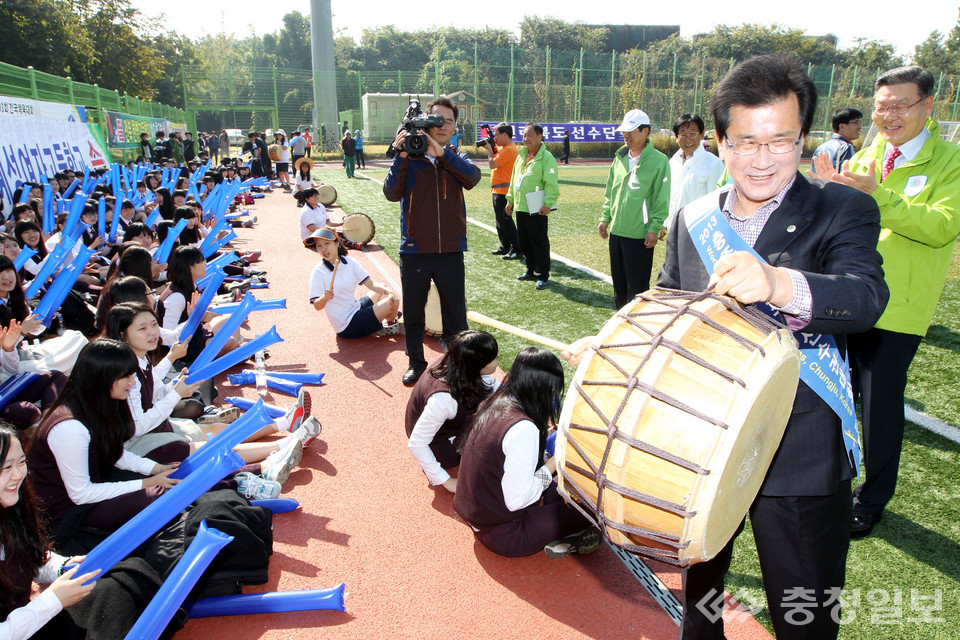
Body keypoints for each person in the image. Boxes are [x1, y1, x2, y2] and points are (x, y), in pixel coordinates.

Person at [657, 54, 888, 639]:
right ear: (721, 142)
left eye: (780, 142)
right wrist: (623, 343)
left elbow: (865, 297)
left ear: (803, 138)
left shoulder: (844, 208)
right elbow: (668, 298)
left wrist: (780, 283)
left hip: (802, 443)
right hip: (705, 438)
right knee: (703, 590)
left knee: (803, 611)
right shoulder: (693, 218)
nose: (762, 160)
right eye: (745, 142)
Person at [812, 66, 960, 539]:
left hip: (898, 309)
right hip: (847, 295)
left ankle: (871, 499)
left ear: (927, 106)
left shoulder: (949, 162)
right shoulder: (867, 153)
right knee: (831, 393)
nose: (888, 115)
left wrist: (880, 195)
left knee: (878, 407)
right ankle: (828, 483)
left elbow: (941, 227)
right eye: (881, 107)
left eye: (900, 105)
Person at [29, 339, 182, 545]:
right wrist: (148, 482)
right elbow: (80, 494)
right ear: (103, 378)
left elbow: (114, 453)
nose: (133, 382)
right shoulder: (69, 427)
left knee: (172, 458)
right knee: (156, 496)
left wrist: (155, 469)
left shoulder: (98, 404)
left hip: (97, 487)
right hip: (69, 515)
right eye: (126, 376)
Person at [453, 347, 600, 558]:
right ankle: (565, 532)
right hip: (507, 534)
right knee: (589, 508)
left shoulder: (494, 402)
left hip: (479, 516)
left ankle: (556, 524)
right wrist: (554, 462)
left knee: (555, 488)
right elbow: (517, 500)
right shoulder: (523, 428)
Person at [383, 97, 481, 386]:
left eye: (448, 121)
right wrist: (400, 156)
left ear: (453, 128)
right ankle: (416, 362)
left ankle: (458, 365)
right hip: (414, 249)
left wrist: (442, 155)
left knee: (456, 315)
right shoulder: (408, 158)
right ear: (423, 125)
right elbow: (391, 192)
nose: (442, 126)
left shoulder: (456, 158)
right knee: (413, 312)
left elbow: (473, 178)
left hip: (451, 250)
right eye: (435, 120)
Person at [0, 424, 100, 639]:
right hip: (23, 625)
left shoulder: (12, 511)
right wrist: (52, 601)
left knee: (114, 586)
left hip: (29, 619)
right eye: (6, 468)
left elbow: (32, 557)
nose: (18, 474)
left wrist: (62, 567)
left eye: (21, 462)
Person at [405, 330, 499, 494]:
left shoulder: (456, 360)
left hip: (442, 424)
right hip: (440, 443)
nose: (498, 358)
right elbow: (417, 443)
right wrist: (446, 481)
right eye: (494, 357)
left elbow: (488, 383)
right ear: (478, 365)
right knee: (493, 434)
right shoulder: (443, 399)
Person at [599, 109, 669, 309]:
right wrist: (606, 217)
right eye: (624, 130)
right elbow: (611, 190)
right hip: (617, 233)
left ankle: (637, 328)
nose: (626, 135)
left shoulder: (659, 161)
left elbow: (660, 198)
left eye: (631, 130)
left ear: (645, 131)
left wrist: (655, 227)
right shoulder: (620, 157)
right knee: (619, 286)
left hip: (640, 235)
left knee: (637, 289)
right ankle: (620, 322)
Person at [306, 228, 401, 338]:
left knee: (384, 290)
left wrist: (389, 291)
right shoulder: (318, 272)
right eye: (319, 246)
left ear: (337, 243)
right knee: (392, 303)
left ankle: (386, 320)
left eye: (327, 243)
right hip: (348, 325)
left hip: (356, 308)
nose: (323, 249)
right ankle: (390, 324)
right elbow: (317, 306)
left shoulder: (350, 262)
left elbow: (371, 284)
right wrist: (324, 297)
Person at [505, 123, 560, 291]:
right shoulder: (521, 155)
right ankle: (530, 269)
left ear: (539, 137)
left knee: (539, 242)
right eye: (524, 135)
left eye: (529, 135)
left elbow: (551, 183)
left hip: (537, 207)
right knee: (525, 241)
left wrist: (548, 203)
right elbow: (515, 179)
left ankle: (542, 275)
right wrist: (510, 199)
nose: (525, 139)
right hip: (521, 206)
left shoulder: (546, 157)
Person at [666, 113, 725, 233]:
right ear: (677, 136)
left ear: (702, 134)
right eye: (683, 134)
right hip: (674, 229)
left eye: (693, 133)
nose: (688, 139)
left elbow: (716, 203)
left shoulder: (713, 163)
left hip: (698, 231)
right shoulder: (673, 162)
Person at [485, 123, 522, 261]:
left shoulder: (509, 149)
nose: (495, 138)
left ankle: (517, 249)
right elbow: (496, 161)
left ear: (505, 134)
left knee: (506, 221)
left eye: (496, 135)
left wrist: (489, 149)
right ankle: (506, 246)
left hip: (504, 191)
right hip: (499, 189)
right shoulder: (506, 149)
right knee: (500, 221)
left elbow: (492, 164)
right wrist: (492, 149)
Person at [809, 107, 863, 175]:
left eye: (860, 123)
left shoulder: (821, 147)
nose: (860, 127)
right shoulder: (846, 147)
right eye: (856, 123)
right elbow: (847, 178)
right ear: (842, 126)